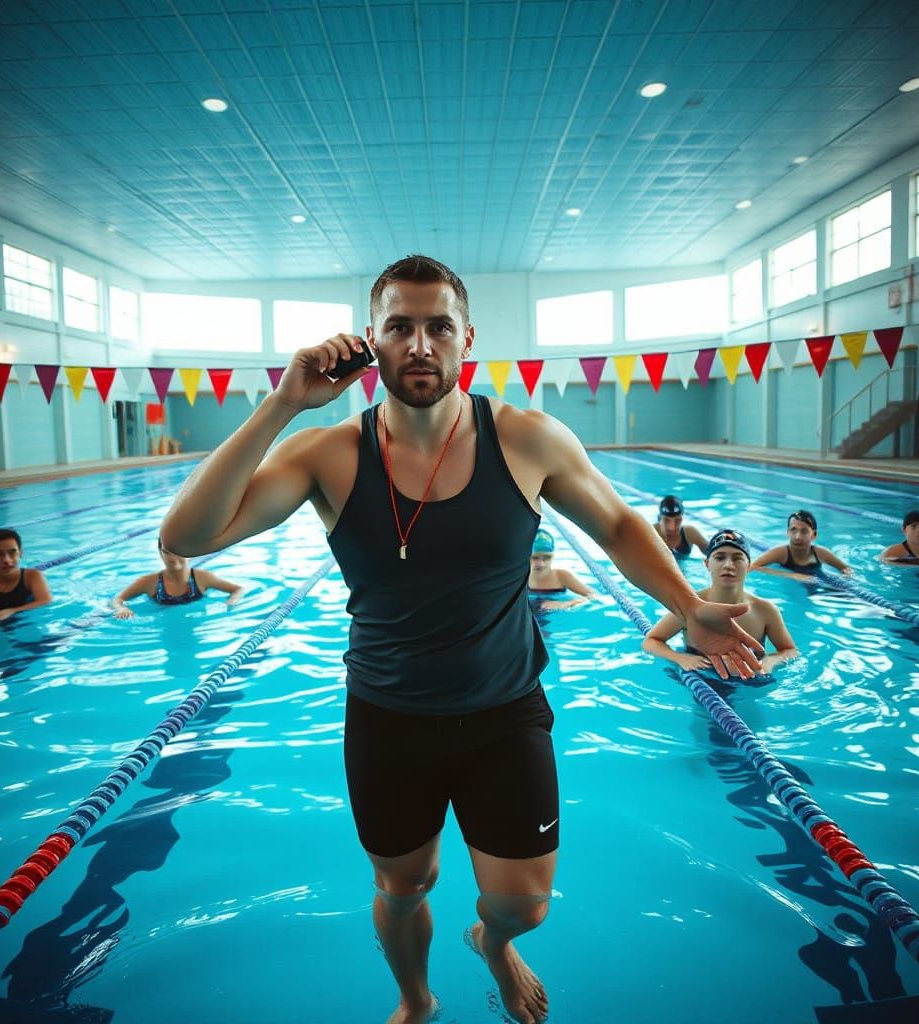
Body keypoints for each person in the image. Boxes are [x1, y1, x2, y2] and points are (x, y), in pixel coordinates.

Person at [159, 254, 763, 1024]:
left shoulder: (526, 438)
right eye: (400, 327)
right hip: (387, 718)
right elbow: (185, 534)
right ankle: (416, 998)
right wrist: (283, 406)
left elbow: (614, 523)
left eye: (437, 326)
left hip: (504, 713)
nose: (420, 344)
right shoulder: (331, 455)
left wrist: (687, 603)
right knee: (402, 888)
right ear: (369, 342)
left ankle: (495, 944)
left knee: (527, 905)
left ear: (465, 337)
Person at [643, 529, 799, 678]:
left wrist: (770, 660)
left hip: (753, 680)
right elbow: (651, 641)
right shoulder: (690, 605)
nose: (728, 565)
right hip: (703, 679)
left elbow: (790, 650)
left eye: (737, 558)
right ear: (707, 564)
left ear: (749, 566)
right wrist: (680, 658)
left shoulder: (765, 610)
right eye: (719, 557)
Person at [111, 538, 244, 618]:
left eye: (178, 551)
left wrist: (231, 603)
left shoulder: (202, 577)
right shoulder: (148, 582)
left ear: (190, 553)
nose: (173, 557)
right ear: (160, 554)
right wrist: (121, 608)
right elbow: (118, 599)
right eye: (167, 552)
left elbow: (238, 589)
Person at [751, 510, 852, 581]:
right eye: (793, 530)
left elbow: (845, 568)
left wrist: (847, 576)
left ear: (814, 535)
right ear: (787, 532)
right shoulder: (780, 553)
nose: (797, 536)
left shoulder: (821, 553)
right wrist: (793, 576)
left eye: (804, 531)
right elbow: (752, 566)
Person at [527, 528, 596, 610]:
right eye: (535, 558)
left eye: (547, 558)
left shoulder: (560, 576)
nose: (541, 563)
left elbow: (594, 595)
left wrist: (568, 604)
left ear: (553, 557)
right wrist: (541, 604)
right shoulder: (518, 576)